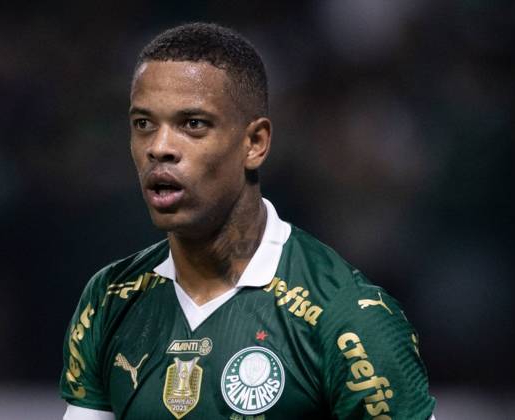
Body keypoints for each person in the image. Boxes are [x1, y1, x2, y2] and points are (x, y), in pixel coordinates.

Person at [60, 22, 436, 419]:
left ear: (255, 143)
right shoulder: (109, 299)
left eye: (193, 124)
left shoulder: (349, 320)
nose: (159, 147)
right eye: (144, 124)